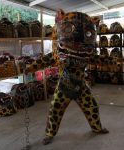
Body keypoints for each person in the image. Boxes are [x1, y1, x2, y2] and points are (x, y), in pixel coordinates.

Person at [42, 9, 109, 145]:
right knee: (55, 109)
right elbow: (43, 61)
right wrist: (27, 67)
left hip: (80, 85)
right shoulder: (58, 55)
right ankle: (49, 134)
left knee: (92, 106)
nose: (77, 43)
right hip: (64, 86)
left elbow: (100, 59)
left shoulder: (87, 53)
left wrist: (116, 60)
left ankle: (97, 128)